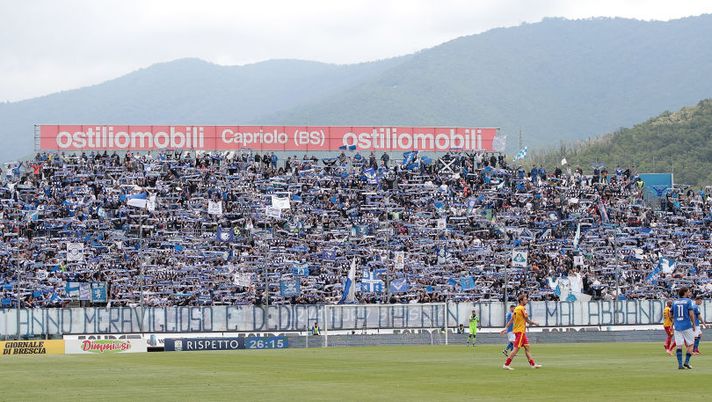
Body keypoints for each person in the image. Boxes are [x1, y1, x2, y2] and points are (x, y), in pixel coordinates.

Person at [501, 294, 541, 370]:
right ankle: (506, 364)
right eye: (525, 299)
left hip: (519, 331)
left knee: (527, 347)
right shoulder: (522, 308)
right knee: (516, 349)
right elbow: (527, 320)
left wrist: (505, 328)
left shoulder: (516, 309)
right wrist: (535, 323)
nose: (527, 300)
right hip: (520, 332)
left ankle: (533, 364)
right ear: (521, 301)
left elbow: (511, 320)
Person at [672, 287, 696, 369]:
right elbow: (691, 313)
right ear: (685, 292)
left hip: (677, 326)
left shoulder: (674, 302)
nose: (689, 293)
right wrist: (693, 323)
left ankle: (679, 365)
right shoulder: (689, 301)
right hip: (686, 325)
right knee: (691, 344)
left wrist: (673, 324)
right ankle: (686, 362)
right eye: (688, 292)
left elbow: (672, 314)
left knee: (679, 345)